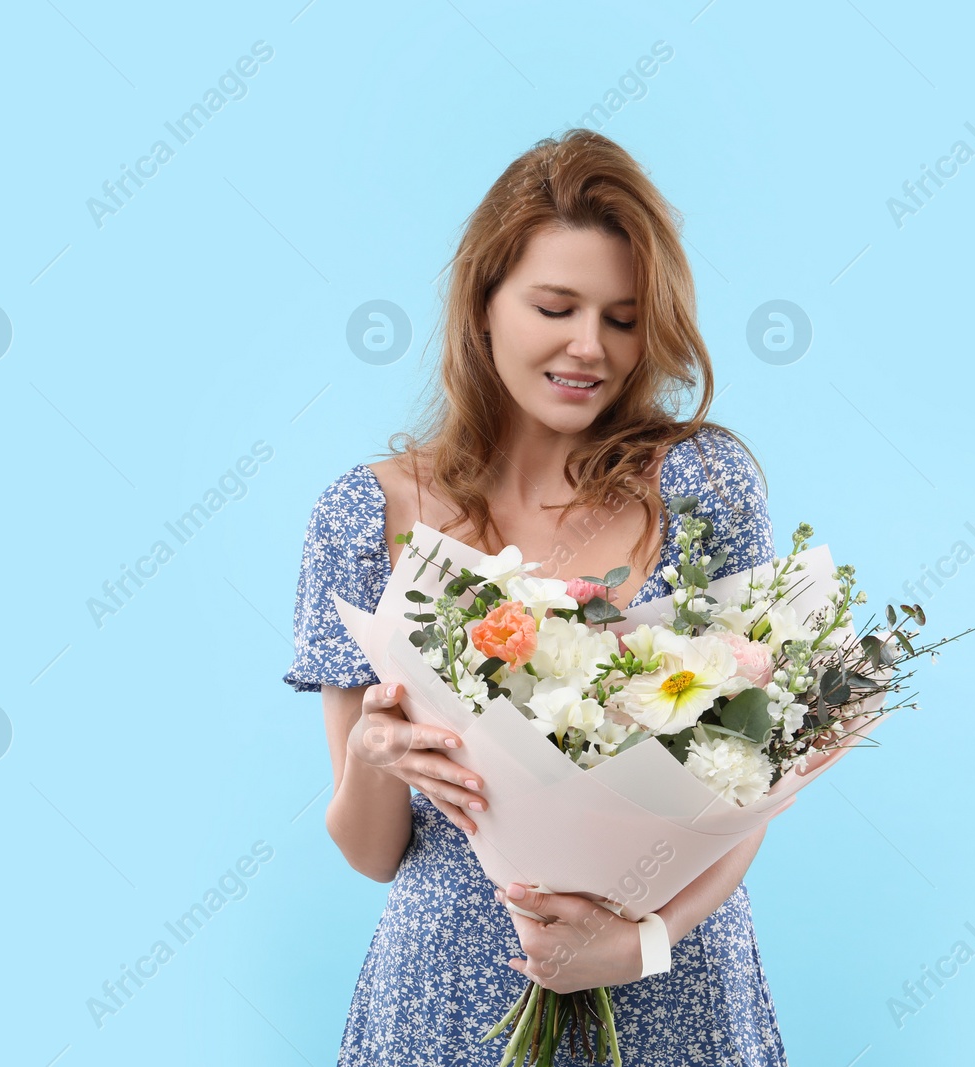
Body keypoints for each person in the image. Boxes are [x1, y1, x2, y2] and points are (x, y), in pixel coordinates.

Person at [284, 129, 829, 1065]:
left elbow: (753, 781)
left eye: (622, 318)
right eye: (555, 305)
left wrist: (636, 946)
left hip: (672, 987)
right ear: (483, 305)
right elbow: (372, 852)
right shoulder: (363, 515)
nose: (590, 347)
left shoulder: (705, 486)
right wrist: (374, 755)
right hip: (448, 994)